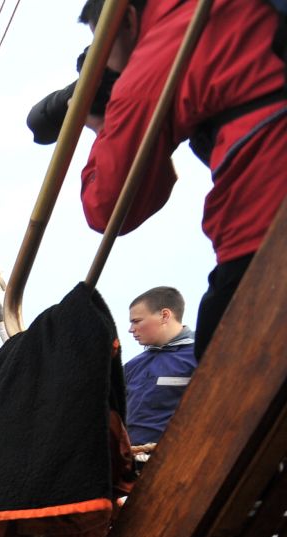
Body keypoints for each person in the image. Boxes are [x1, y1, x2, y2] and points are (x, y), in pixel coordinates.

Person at [74, 0, 287, 355]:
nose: (106, 63)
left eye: (103, 49)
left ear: (124, 17)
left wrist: (101, 124)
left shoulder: (156, 53)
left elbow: (108, 207)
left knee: (223, 361)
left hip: (266, 207)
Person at [122, 285, 198, 445]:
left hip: (180, 460)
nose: (130, 329)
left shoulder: (202, 355)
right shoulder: (131, 367)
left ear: (164, 315)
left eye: (136, 321)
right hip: (132, 461)